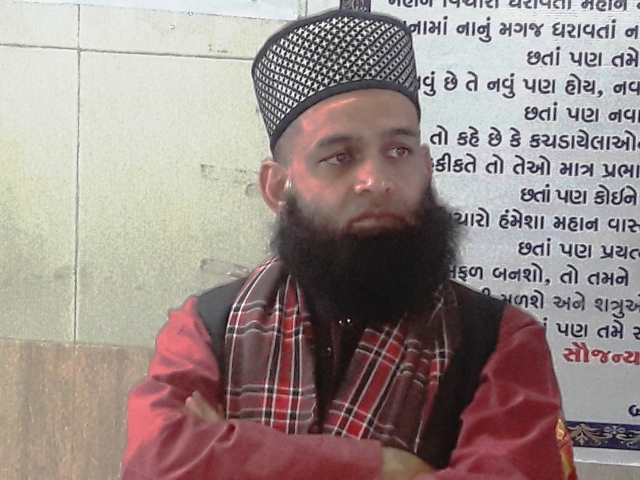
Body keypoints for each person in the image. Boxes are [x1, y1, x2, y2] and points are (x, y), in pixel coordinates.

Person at [122, 9, 576, 480]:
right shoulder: (206, 328)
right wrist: (382, 466)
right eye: (340, 157)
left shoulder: (500, 341)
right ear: (278, 188)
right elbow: (155, 462)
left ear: (426, 168)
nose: (376, 180)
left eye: (398, 151)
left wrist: (235, 455)